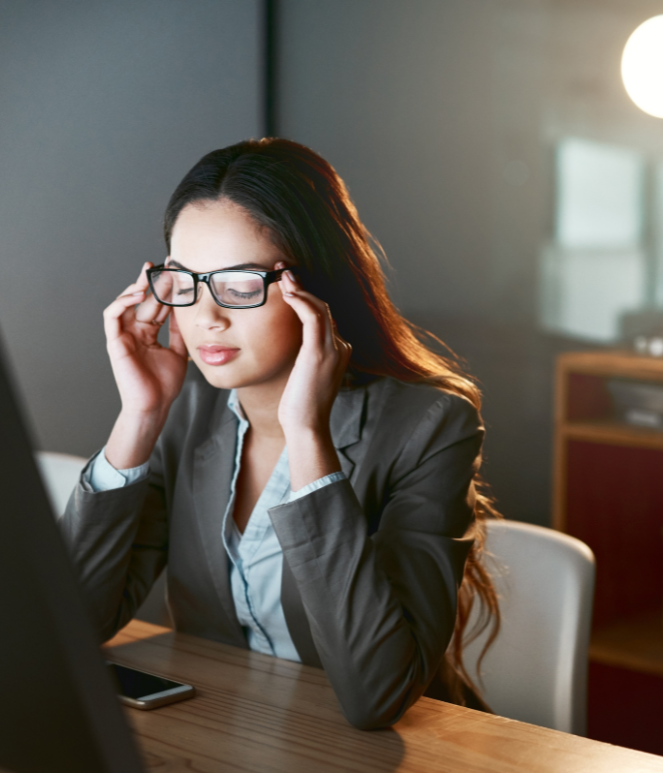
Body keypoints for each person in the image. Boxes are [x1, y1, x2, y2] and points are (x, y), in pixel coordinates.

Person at [61, 138, 500, 730]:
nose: (206, 316)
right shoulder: (186, 412)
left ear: (314, 288)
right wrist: (139, 415)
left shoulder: (430, 425)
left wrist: (307, 436)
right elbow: (69, 630)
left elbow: (377, 696)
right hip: (232, 731)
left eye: (240, 285)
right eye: (185, 279)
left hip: (391, 758)